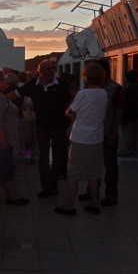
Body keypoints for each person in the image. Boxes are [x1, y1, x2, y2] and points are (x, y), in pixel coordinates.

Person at [55, 63, 107, 216]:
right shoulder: (103, 93)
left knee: (73, 173)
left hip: (80, 137)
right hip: (97, 138)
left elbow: (69, 113)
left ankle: (70, 206)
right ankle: (95, 203)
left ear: (86, 77)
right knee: (94, 172)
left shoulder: (83, 94)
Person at [17, 60, 72, 198]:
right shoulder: (33, 85)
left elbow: (71, 102)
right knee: (43, 157)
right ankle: (46, 187)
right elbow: (14, 95)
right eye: (49, 68)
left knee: (58, 156)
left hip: (59, 126)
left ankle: (53, 186)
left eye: (53, 68)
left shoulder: (62, 86)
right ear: (40, 71)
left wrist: (69, 121)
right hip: (41, 127)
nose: (52, 71)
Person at [79, 58, 124, 206]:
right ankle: (91, 192)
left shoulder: (115, 88)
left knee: (110, 164)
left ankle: (111, 194)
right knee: (92, 164)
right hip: (93, 134)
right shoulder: (91, 88)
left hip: (107, 133)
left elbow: (118, 112)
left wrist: (113, 132)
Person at [0, 70, 29, 206]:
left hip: (6, 139)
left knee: (8, 168)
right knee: (5, 169)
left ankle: (13, 195)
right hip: (3, 140)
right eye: (3, 78)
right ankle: (12, 197)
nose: (6, 81)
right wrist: (3, 139)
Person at [118, 70, 138, 156]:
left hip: (128, 115)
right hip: (133, 114)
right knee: (130, 132)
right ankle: (130, 148)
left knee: (127, 134)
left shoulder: (129, 90)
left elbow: (126, 104)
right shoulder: (136, 88)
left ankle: (126, 150)